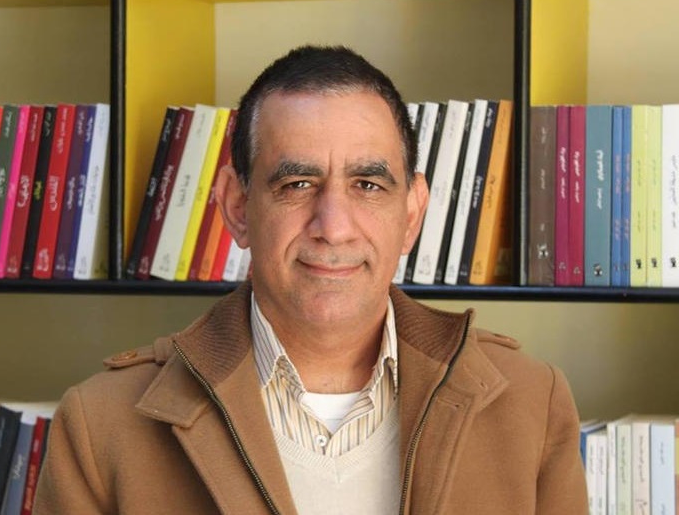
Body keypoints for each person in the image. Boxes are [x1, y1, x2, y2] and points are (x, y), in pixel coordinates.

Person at [34, 45, 588, 514]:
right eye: (297, 184)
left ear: (412, 213)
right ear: (236, 207)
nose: (334, 226)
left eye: (368, 185)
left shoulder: (532, 405)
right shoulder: (101, 425)